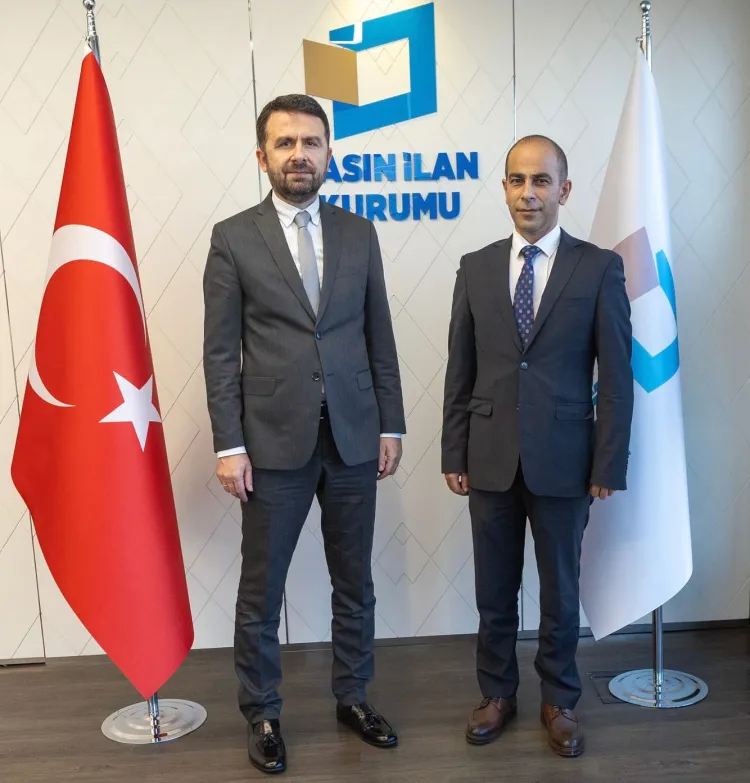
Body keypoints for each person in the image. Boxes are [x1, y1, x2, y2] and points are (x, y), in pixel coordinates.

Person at [203, 94, 406, 775]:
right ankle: (262, 712)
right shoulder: (233, 237)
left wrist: (390, 422)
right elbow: (220, 352)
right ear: (262, 155)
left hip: (353, 436)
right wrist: (229, 444)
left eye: (311, 142)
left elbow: (379, 336)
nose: (299, 154)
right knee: (262, 591)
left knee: (356, 582)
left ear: (328, 154)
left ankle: (354, 697)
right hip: (270, 444)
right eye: (285, 142)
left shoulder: (360, 233)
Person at [441, 135, 633, 758]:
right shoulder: (474, 267)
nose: (529, 193)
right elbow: (460, 369)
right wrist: (453, 452)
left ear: (564, 190)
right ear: (504, 189)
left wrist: (609, 461)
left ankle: (560, 699)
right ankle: (497, 693)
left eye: (542, 181)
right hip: (489, 458)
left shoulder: (598, 267)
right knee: (494, 592)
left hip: (567, 461)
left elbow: (617, 375)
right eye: (518, 180)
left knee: (560, 592)